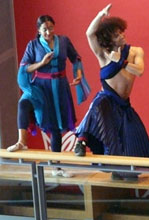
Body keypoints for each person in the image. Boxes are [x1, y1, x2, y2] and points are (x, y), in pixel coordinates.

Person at [74, 3, 149, 181]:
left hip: (124, 105)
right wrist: (101, 14)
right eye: (117, 35)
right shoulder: (103, 54)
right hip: (107, 101)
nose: (122, 36)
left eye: (121, 32)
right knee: (98, 104)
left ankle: (127, 171)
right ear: (109, 39)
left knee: (131, 137)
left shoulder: (135, 51)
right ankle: (81, 140)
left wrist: (122, 62)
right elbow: (89, 34)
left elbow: (139, 71)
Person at [7, 15, 90, 178]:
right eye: (44, 29)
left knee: (56, 128)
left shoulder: (64, 41)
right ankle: (22, 141)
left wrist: (78, 74)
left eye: (50, 28)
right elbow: (25, 68)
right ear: (38, 30)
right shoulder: (33, 45)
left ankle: (56, 167)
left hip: (59, 87)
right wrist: (41, 63)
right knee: (23, 104)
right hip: (39, 87)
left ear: (54, 27)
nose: (48, 32)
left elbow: (76, 58)